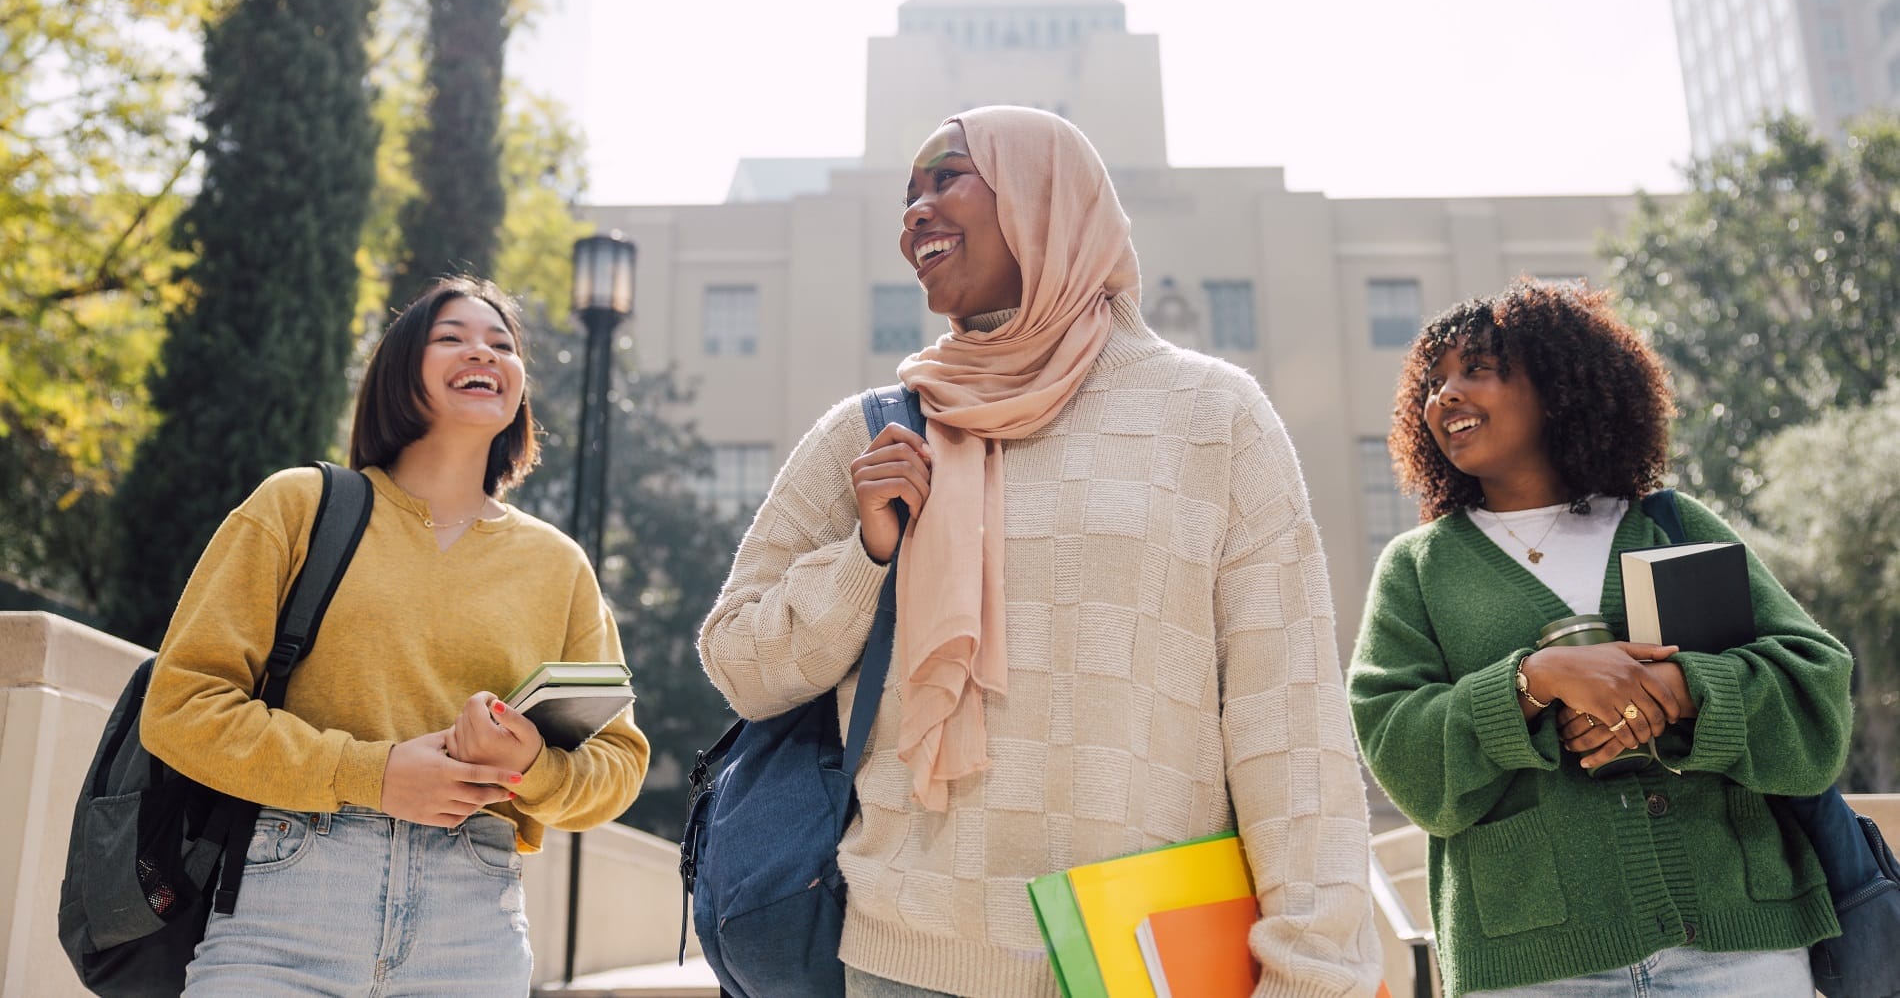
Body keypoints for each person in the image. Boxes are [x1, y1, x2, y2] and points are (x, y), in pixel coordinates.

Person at [699, 106, 1382, 998]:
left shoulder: (1215, 418)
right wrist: (866, 556)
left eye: (948, 176)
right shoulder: (872, 433)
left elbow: (1288, 723)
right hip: (903, 960)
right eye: (907, 194)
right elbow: (739, 661)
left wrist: (1314, 971)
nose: (915, 211)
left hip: (1144, 964)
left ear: (1045, 196)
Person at [141, 276, 650, 996]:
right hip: (287, 904)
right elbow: (180, 708)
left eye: (502, 344)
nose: (485, 351)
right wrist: (371, 773)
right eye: (453, 337)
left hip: (472, 925)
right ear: (400, 371)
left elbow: (620, 764)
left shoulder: (558, 565)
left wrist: (528, 765)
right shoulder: (298, 506)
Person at [1347, 280, 1852, 998]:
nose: (1445, 395)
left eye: (1477, 369)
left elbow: (1817, 691)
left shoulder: (1671, 524)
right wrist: (1533, 681)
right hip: (1534, 962)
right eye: (1433, 383)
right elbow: (1401, 750)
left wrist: (1680, 692)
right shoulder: (1418, 569)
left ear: (1556, 387)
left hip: (1738, 943)